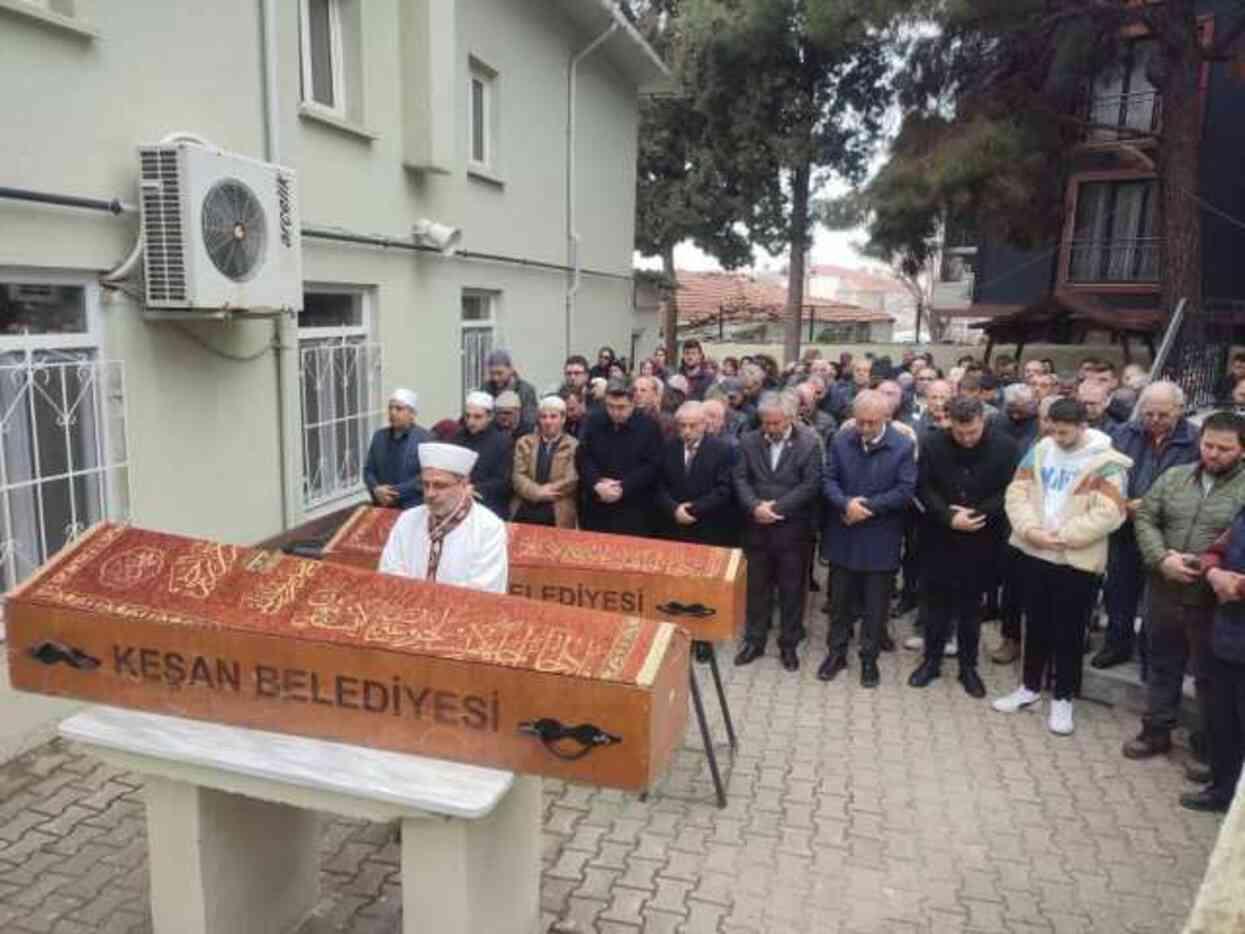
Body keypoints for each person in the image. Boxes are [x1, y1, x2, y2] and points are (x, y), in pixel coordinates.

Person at [992, 399, 1131, 733]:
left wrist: (1063, 537)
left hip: (1076, 560)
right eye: (1053, 430)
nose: (1058, 438)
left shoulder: (1109, 464)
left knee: (1068, 632)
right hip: (1035, 551)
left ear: (1084, 426)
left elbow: (1110, 512)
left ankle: (1063, 699)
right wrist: (1031, 531)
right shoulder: (1041, 450)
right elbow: (1017, 492)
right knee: (1035, 624)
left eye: (1065, 432)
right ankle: (1029, 689)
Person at [1123, 412, 1245, 761]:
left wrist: (1209, 567)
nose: (1214, 454)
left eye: (1225, 448)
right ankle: (1156, 731)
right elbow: (1146, 516)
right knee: (1162, 664)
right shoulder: (1176, 477)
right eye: (1208, 445)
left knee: (1209, 676)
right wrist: (1161, 559)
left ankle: (1210, 746)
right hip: (1164, 588)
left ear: (1242, 450)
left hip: (1213, 600)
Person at [909, 397, 1018, 698]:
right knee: (935, 605)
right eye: (960, 433)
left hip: (982, 537)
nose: (967, 439)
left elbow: (1010, 490)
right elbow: (922, 486)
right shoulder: (932, 443)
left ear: (983, 420)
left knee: (971, 607)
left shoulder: (1006, 447)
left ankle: (968, 667)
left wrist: (976, 514)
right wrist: (948, 516)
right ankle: (930, 661)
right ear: (950, 424)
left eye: (973, 432)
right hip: (939, 537)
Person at [1093, 382, 1200, 670]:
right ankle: (1117, 645)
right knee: (1119, 590)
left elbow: (1197, 487)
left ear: (1178, 410)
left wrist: (1155, 509)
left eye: (1162, 415)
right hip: (1125, 528)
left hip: (1167, 533)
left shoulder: (1195, 441)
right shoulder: (1123, 433)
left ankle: (1151, 656)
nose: (1153, 420)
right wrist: (1122, 503)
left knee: (1158, 600)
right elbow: (1104, 474)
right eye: (1148, 413)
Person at [819, 391, 917, 686]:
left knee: (876, 607)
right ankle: (835, 654)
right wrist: (846, 503)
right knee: (839, 602)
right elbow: (827, 480)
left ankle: (869, 659)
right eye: (859, 422)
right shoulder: (840, 440)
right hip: (844, 534)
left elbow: (905, 490)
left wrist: (867, 508)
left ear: (887, 418)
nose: (864, 428)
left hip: (880, 538)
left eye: (871, 423)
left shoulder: (902, 446)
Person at [732, 391, 823, 672]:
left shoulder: (809, 443)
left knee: (791, 589)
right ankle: (755, 640)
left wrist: (777, 508)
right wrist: (755, 506)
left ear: (791, 418)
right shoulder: (748, 440)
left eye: (775, 424)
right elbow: (740, 478)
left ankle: (789, 643)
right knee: (756, 587)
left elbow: (810, 485)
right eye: (766, 423)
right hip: (756, 528)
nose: (769, 429)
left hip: (792, 531)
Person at [379, 442, 508, 593]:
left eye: (440, 485)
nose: (429, 494)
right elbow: (389, 573)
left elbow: (483, 592)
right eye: (426, 485)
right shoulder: (407, 520)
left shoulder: (488, 528)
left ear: (463, 484)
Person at [1189, 511, 1245, 811]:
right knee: (1223, 721)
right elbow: (1215, 550)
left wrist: (1238, 587)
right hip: (1227, 635)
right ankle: (1222, 790)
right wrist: (1214, 573)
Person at [576, 380, 664, 537]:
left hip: (633, 508)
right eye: (610, 406)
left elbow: (652, 466)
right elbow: (583, 457)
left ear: (633, 403)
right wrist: (596, 483)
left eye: (621, 407)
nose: (615, 412)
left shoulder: (649, 427)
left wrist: (623, 487)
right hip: (597, 504)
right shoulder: (593, 421)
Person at [655, 401, 737, 547]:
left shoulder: (722, 450)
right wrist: (674, 509)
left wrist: (693, 509)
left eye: (692, 425)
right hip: (672, 526)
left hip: (707, 527)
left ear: (704, 425)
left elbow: (724, 489)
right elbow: (659, 484)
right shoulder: (668, 447)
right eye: (682, 425)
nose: (687, 431)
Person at [510, 396, 578, 528]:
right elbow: (517, 475)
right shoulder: (524, 442)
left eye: (553, 417)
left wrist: (547, 492)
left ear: (563, 419)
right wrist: (536, 492)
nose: (548, 421)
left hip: (558, 508)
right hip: (526, 506)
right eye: (543, 417)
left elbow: (572, 479)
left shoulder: (574, 445)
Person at [364, 388, 431, 509]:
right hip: (381, 504)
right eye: (390, 408)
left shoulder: (426, 439)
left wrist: (392, 492)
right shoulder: (379, 436)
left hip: (412, 507)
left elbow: (426, 476)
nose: (393, 412)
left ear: (412, 414)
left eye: (399, 409)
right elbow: (368, 470)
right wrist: (375, 489)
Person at [453, 391, 513, 519]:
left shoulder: (502, 441)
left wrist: (474, 488)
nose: (471, 421)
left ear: (490, 417)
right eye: (467, 416)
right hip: (458, 506)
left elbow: (504, 482)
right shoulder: (458, 437)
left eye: (477, 417)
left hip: (489, 508)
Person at [481, 349, 538, 428]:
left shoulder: (526, 390)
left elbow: (529, 421)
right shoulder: (485, 389)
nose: (495, 378)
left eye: (499, 373)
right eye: (492, 373)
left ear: (510, 369)